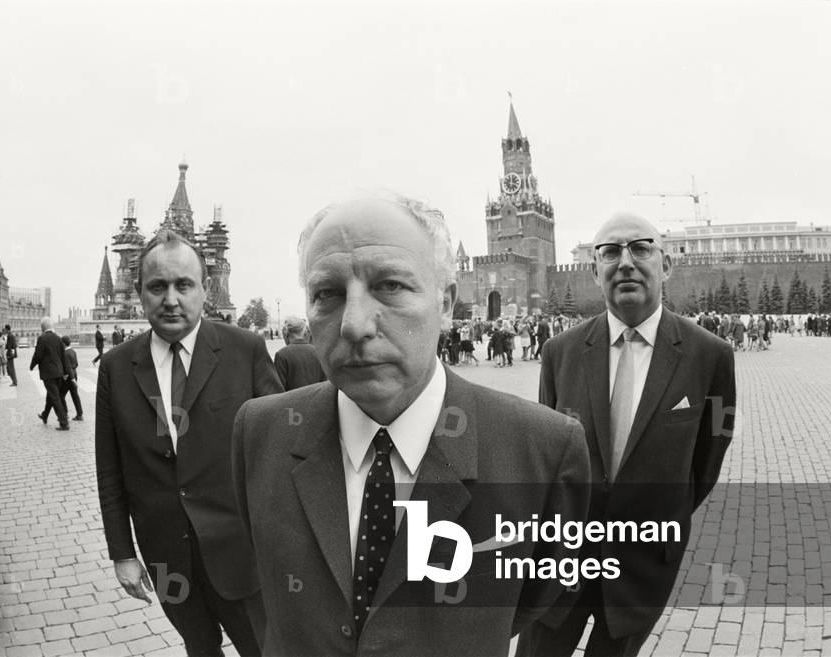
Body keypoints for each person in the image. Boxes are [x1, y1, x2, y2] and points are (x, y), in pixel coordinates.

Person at [231, 193, 590, 656]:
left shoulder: (542, 448)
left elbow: (537, 594)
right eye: (328, 294)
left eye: (390, 286)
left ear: (445, 303)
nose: (354, 325)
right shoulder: (260, 432)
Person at [518, 212, 735, 657]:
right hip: (563, 560)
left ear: (666, 264)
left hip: (642, 564)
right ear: (595, 270)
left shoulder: (710, 357)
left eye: (640, 248)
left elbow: (708, 459)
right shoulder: (560, 353)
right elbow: (548, 452)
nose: (625, 262)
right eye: (610, 252)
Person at [95, 229, 282, 657]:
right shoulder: (117, 367)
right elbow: (109, 468)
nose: (171, 298)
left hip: (240, 549)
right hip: (165, 553)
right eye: (157, 286)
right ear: (140, 292)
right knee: (198, 647)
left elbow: (278, 451)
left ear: (204, 289)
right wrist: (122, 553)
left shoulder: (245, 350)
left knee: (262, 648)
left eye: (184, 285)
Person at [30, 317, 70, 431]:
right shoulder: (58, 338)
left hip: (48, 373)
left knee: (55, 397)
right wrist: (65, 372)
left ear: (42, 328)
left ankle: (64, 423)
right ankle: (45, 415)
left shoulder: (42, 338)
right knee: (51, 396)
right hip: (59, 372)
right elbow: (63, 357)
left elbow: (38, 355)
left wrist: (32, 365)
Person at [273, 318, 326, 390]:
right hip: (316, 398)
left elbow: (278, 387)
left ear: (287, 333)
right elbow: (324, 381)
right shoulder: (317, 351)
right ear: (304, 332)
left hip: (291, 399)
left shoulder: (281, 355)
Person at [60, 336, 84, 421]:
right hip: (74, 374)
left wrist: (70, 377)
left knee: (60, 396)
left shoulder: (65, 354)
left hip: (68, 378)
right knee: (75, 396)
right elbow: (76, 364)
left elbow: (68, 367)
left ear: (63, 344)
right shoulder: (73, 351)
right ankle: (80, 414)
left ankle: (65, 413)